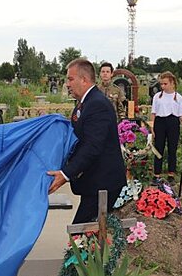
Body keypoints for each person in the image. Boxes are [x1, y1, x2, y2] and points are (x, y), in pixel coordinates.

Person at [47, 58, 126, 224]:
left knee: (81, 233)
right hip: (93, 181)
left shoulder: (97, 104)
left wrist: (65, 174)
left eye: (70, 79)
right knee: (85, 234)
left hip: (104, 182)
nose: (67, 84)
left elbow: (92, 146)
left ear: (84, 79)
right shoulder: (85, 103)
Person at [150, 71, 182, 186]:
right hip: (160, 122)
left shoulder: (179, 98)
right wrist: (152, 127)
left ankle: (171, 174)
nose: (163, 86)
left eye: (165, 84)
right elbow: (153, 113)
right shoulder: (157, 96)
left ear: (172, 83)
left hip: (173, 122)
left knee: (172, 149)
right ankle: (156, 174)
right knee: (158, 149)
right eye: (161, 84)